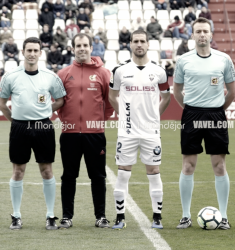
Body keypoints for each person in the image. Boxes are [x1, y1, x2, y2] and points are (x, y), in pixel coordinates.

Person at [173, 17, 235, 230]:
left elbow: (233, 91)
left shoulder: (223, 59)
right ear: (192, 34)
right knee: (188, 165)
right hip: (191, 116)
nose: (201, 35)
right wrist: (191, 110)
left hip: (216, 116)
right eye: (198, 31)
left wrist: (218, 109)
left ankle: (224, 216)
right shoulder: (183, 60)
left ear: (211, 34)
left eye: (205, 31)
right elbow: (177, 91)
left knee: (219, 166)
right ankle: (185, 215)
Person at [0, 37, 66, 230]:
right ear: (22, 52)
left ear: (40, 53)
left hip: (44, 127)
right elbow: (2, 103)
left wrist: (45, 110)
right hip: (19, 127)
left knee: (47, 171)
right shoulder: (10, 76)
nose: (32, 54)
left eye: (36, 50)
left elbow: (61, 100)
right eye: (29, 50)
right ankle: (16, 215)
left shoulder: (50, 76)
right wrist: (14, 119)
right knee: (18, 171)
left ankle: (50, 215)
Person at [108, 29, 171, 230]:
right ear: (130, 44)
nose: (139, 44)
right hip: (127, 132)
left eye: (142, 41)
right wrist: (123, 115)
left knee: (153, 171)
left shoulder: (159, 71)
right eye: (135, 41)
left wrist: (155, 116)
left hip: (150, 131)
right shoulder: (119, 70)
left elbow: (166, 96)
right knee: (123, 173)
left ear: (148, 44)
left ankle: (157, 217)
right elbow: (112, 96)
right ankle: (120, 217)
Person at [57, 33, 114, 229]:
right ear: (73, 48)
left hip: (95, 134)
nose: (82, 48)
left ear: (91, 48)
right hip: (69, 134)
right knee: (68, 176)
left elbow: (109, 102)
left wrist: (98, 121)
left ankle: (101, 216)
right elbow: (58, 102)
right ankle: (66, 216)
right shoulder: (63, 74)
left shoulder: (104, 73)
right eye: (78, 45)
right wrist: (67, 121)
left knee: (98, 176)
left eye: (85, 45)